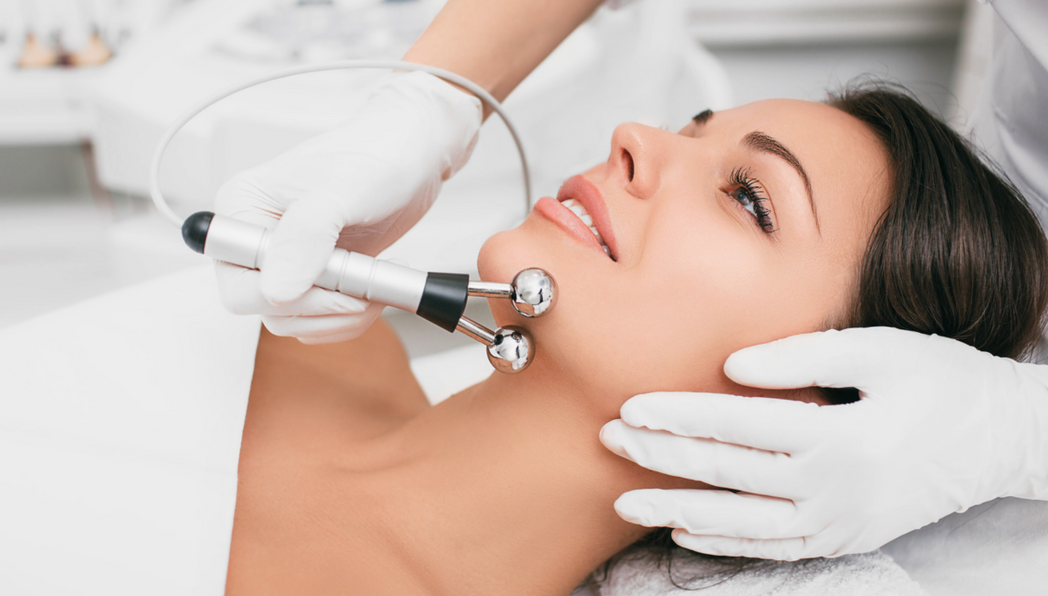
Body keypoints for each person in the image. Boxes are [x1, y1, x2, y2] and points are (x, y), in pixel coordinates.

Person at [213, 0, 1048, 561]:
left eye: (750, 200)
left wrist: (1017, 431)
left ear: (820, 408)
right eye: (693, 129)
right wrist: (430, 100)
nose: (634, 136)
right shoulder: (278, 340)